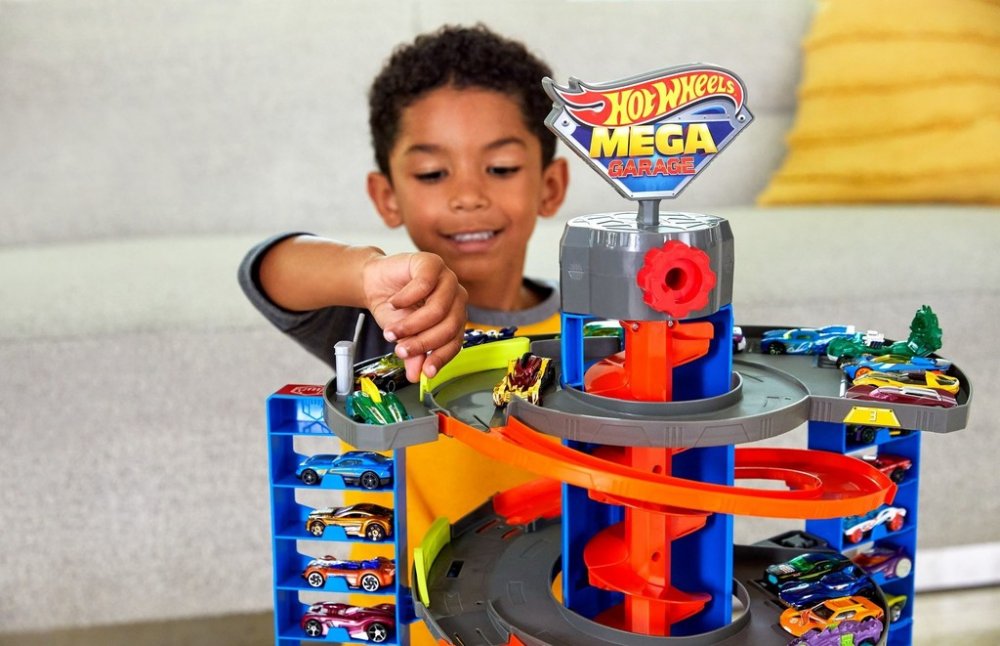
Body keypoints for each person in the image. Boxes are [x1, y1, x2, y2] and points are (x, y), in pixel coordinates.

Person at [238, 24, 569, 644]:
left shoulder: (589, 330)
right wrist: (363, 273)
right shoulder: (391, 323)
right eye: (432, 174)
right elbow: (268, 270)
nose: (468, 196)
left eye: (500, 167)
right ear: (386, 196)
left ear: (550, 186)